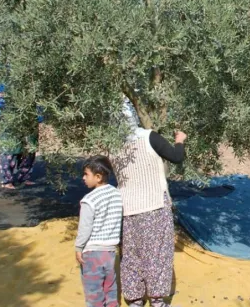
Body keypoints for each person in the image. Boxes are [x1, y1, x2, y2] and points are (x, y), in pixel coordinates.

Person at [113, 100, 186, 307]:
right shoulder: (148, 137)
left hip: (127, 207)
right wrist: (180, 140)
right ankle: (156, 300)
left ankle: (135, 299)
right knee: (157, 254)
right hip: (154, 204)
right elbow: (176, 157)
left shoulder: (112, 144)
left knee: (131, 254)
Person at [75, 155, 123, 307]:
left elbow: (85, 228)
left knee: (93, 290)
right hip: (110, 252)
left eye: (86, 174)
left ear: (98, 177)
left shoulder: (89, 200)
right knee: (110, 287)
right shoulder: (117, 194)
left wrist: (78, 247)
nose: (83, 178)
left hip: (92, 253)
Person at [0, 119, 40, 190]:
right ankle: (7, 182)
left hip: (30, 128)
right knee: (8, 158)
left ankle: (24, 178)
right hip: (11, 128)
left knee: (28, 157)